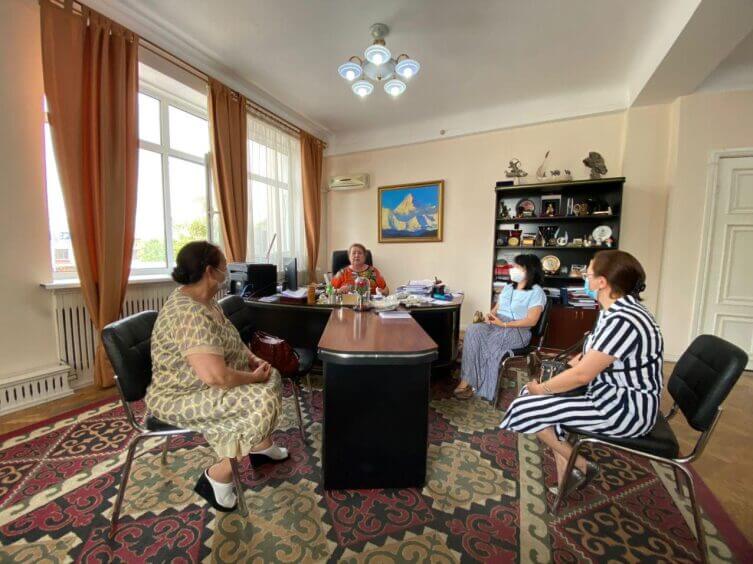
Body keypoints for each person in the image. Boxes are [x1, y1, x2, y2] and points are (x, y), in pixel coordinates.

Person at [499, 250, 663, 496]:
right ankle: (567, 473)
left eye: (589, 273)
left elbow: (582, 376)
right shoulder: (616, 311)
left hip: (624, 410)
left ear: (602, 282)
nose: (585, 276)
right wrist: (567, 369)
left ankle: (582, 465)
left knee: (527, 405)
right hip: (608, 394)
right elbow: (594, 356)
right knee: (534, 396)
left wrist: (542, 388)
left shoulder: (623, 320)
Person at [146, 241, 289, 512]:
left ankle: (260, 445)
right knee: (260, 400)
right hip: (182, 395)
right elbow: (217, 378)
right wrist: (253, 378)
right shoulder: (189, 314)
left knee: (272, 378)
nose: (228, 273)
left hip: (208, 384)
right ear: (210, 272)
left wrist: (253, 359)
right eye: (225, 267)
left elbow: (232, 339)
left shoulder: (207, 301)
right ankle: (218, 476)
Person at [454, 254, 546, 401]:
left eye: (518, 267)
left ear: (530, 270)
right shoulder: (508, 287)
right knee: (473, 330)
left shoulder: (537, 292)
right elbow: (496, 309)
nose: (513, 269)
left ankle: (483, 388)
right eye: (514, 266)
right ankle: (467, 379)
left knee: (492, 341)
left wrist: (504, 324)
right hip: (498, 323)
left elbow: (532, 320)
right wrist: (489, 316)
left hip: (517, 329)